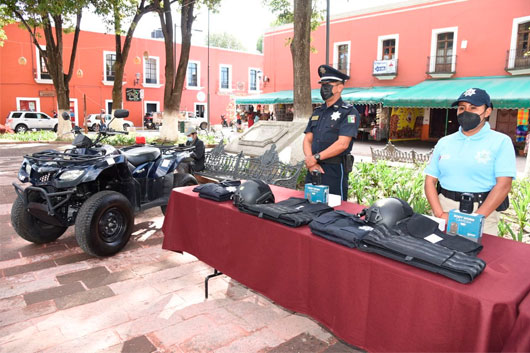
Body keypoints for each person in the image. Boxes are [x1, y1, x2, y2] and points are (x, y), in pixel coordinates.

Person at [424, 88, 516, 236]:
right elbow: (430, 180)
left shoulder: (501, 142)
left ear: (487, 111)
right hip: (445, 208)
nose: (466, 112)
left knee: (479, 256)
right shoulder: (444, 142)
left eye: (474, 108)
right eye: (462, 108)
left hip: (482, 212)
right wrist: (439, 213)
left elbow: (504, 185)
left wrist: (476, 218)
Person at [303, 64, 360, 201]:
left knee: (334, 210)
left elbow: (342, 144)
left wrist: (315, 158)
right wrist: (311, 162)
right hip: (313, 169)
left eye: (328, 84)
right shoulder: (318, 111)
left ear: (340, 87)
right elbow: (307, 139)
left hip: (334, 170)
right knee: (309, 206)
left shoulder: (349, 112)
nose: (324, 88)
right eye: (322, 85)